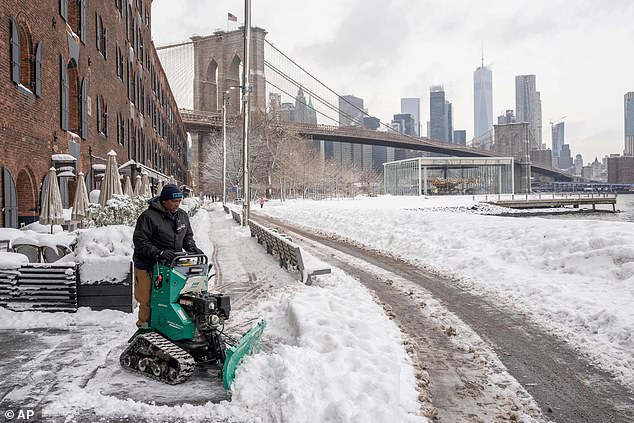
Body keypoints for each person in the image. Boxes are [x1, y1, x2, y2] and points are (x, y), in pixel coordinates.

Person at [132, 184, 204, 328]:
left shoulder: (182, 215)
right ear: (164, 201)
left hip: (171, 264)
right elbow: (140, 241)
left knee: (174, 298)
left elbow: (187, 236)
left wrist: (191, 247)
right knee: (147, 299)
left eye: (179, 201)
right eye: (173, 201)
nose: (177, 204)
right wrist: (159, 252)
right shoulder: (148, 217)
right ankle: (144, 328)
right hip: (148, 265)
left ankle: (168, 326)